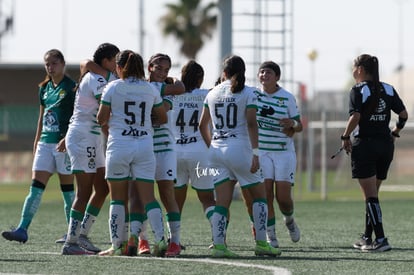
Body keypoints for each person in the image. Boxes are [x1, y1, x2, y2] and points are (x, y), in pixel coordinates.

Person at [198, 55, 281, 258]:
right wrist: (255, 153)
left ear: (223, 72)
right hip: (241, 149)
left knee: (222, 202)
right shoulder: (249, 92)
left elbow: (202, 126)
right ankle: (262, 243)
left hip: (217, 151)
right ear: (243, 71)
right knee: (260, 197)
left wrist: (213, 147)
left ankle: (219, 246)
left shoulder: (212, 92)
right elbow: (252, 124)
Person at [96, 50, 168, 256]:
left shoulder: (113, 87)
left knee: (117, 199)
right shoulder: (149, 89)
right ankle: (161, 241)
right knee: (149, 197)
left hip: (119, 145)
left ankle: (117, 246)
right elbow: (162, 118)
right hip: (144, 146)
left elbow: (101, 118)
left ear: (119, 68)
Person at [1, 49, 76, 244]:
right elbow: (42, 117)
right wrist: (36, 142)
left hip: (63, 145)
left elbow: (78, 118)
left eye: (54, 63)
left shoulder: (72, 88)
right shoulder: (44, 88)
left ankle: (73, 233)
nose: (50, 67)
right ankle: (22, 229)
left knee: (68, 190)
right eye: (47, 64)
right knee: (35, 188)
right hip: (45, 143)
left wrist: (68, 138)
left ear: (62, 64)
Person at [341, 54, 408, 252]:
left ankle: (380, 239)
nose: (353, 72)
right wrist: (395, 132)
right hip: (386, 146)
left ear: (360, 69)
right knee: (373, 196)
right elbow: (403, 115)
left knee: (370, 196)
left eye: (354, 68)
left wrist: (345, 137)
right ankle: (366, 237)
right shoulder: (387, 88)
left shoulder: (357, 90)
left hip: (366, 146)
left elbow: (355, 116)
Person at [61, 43, 120, 255]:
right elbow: (105, 109)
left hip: (92, 137)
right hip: (83, 136)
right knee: (84, 191)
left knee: (103, 188)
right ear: (105, 61)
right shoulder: (96, 78)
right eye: (115, 59)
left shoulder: (104, 76)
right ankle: (71, 242)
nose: (117, 64)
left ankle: (81, 234)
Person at [242, 61, 302, 248]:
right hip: (262, 152)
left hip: (284, 153)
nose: (264, 75)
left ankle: (289, 220)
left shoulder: (287, 98)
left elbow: (299, 125)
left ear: (277, 77)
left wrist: (292, 123)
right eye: (261, 72)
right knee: (266, 194)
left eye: (268, 72)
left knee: (283, 198)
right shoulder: (252, 94)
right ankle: (271, 236)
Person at [133, 53, 185, 257]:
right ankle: (142, 240)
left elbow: (161, 112)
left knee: (166, 194)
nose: (163, 73)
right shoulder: (144, 87)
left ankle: (175, 242)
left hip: (165, 147)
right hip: (143, 146)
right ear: (149, 67)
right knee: (140, 196)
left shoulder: (164, 90)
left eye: (166, 70)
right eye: (159, 68)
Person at [171, 60, 215, 242]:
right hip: (200, 152)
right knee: (207, 200)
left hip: (174, 153)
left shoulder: (172, 96)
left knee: (174, 203)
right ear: (200, 78)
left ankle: (174, 241)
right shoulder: (207, 95)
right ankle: (218, 238)